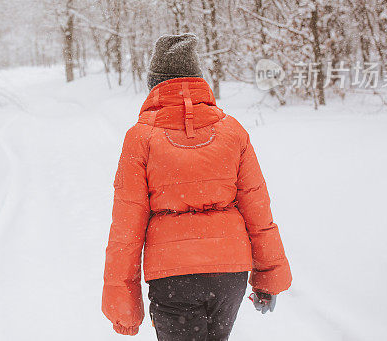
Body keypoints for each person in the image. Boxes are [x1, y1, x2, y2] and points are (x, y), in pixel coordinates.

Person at [101, 33, 291, 340]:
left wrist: (123, 301)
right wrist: (269, 276)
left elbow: (127, 228)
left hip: (173, 277)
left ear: (155, 84)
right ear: (198, 79)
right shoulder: (232, 131)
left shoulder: (140, 138)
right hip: (229, 274)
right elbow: (257, 208)